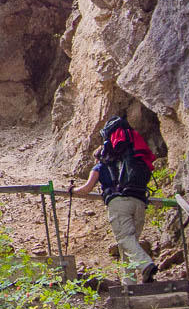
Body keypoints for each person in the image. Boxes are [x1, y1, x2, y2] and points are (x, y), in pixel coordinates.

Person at [67, 116, 159, 282]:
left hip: (118, 202)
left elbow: (87, 189)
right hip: (139, 200)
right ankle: (129, 284)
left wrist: (73, 190)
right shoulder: (129, 160)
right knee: (129, 244)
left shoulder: (100, 166)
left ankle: (146, 265)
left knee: (124, 239)